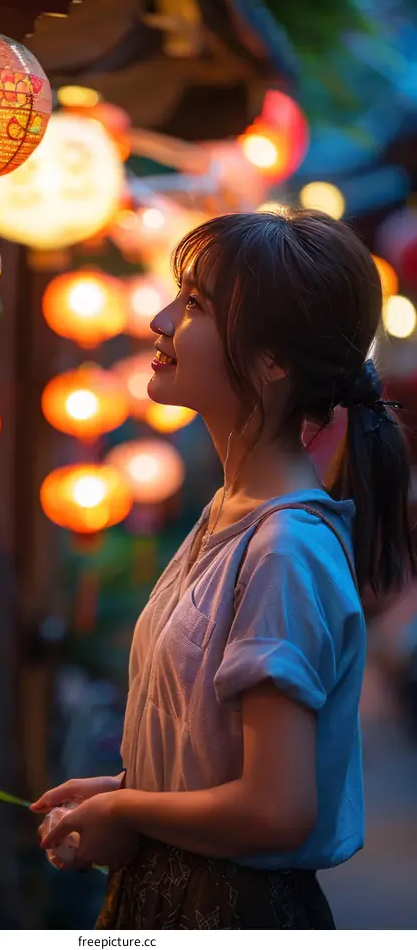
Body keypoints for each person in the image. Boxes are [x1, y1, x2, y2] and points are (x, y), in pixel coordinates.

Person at [31, 210, 416, 929]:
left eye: (195, 304)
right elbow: (226, 761)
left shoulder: (283, 549)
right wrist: (126, 785)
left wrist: (127, 809)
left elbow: (275, 808)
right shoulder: (229, 515)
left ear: (271, 360)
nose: (159, 317)